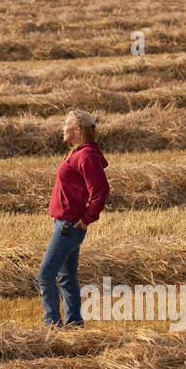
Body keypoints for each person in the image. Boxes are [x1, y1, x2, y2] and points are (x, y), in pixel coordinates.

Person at [39, 109, 109, 328]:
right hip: (65, 223)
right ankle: (75, 325)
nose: (62, 128)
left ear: (77, 129)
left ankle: (52, 326)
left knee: (45, 275)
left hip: (70, 226)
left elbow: (100, 190)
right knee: (67, 278)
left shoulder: (86, 155)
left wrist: (88, 218)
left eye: (65, 124)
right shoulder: (78, 152)